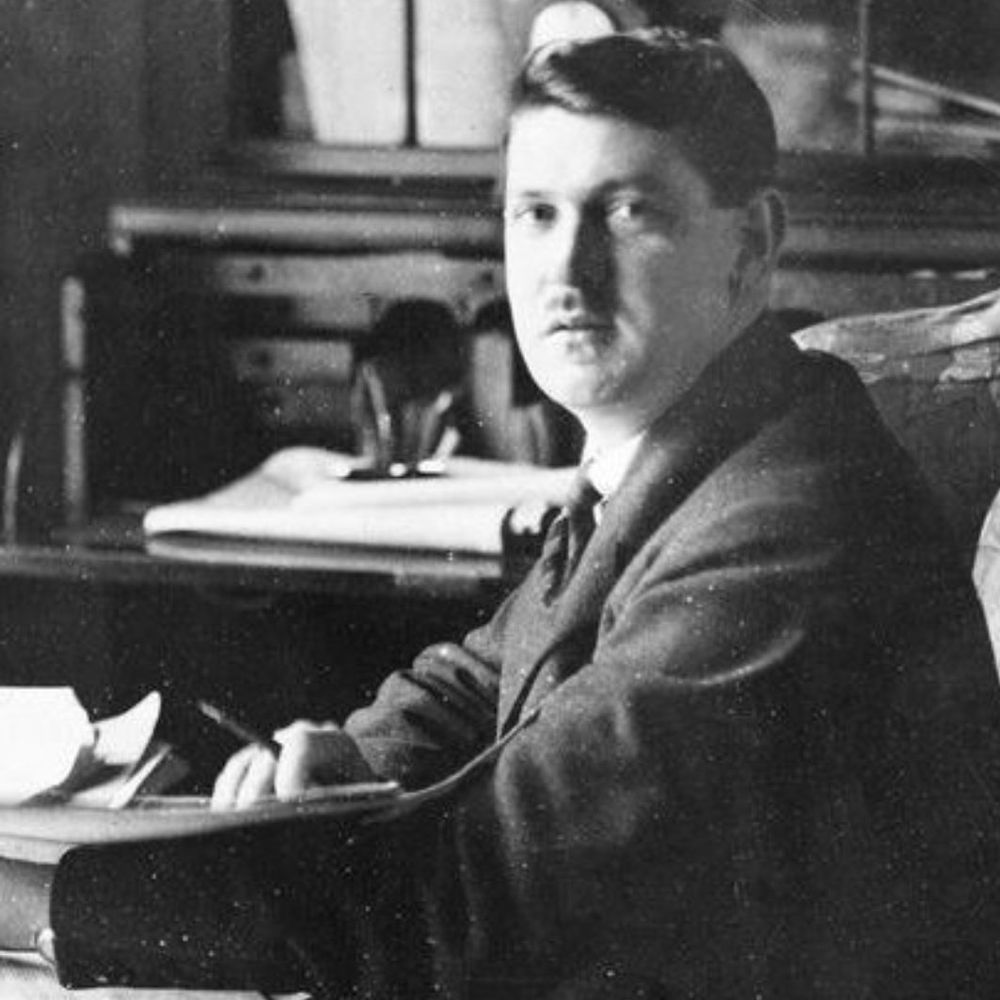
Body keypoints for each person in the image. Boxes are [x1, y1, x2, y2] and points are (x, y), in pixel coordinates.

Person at [6, 27, 1000, 999]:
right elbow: (484, 678)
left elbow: (463, 904)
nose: (567, 273)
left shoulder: (784, 527)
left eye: (626, 212)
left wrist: (29, 907)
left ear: (751, 247)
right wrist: (352, 760)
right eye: (536, 214)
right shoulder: (681, 454)